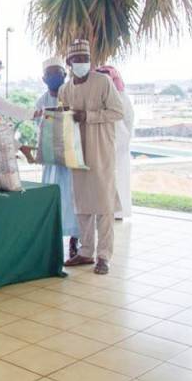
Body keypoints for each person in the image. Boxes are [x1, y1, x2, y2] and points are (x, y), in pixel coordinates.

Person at [60, 39, 124, 275]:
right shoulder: (65, 89)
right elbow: (63, 120)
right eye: (78, 60)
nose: (82, 64)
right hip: (77, 154)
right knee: (82, 205)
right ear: (69, 63)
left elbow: (118, 112)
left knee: (104, 205)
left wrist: (88, 116)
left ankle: (104, 257)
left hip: (101, 151)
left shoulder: (103, 81)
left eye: (86, 60)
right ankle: (86, 252)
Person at [33, 57, 80, 258]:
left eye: (57, 73)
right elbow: (40, 128)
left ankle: (74, 240)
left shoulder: (72, 95)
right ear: (44, 78)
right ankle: (51, 240)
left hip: (70, 158)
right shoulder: (41, 101)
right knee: (52, 197)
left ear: (65, 74)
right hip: (51, 160)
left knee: (72, 198)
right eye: (50, 73)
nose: (54, 77)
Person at [97, 65, 134, 219]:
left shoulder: (121, 95)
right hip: (100, 142)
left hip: (118, 142)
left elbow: (128, 119)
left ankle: (117, 212)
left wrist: (124, 139)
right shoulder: (96, 94)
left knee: (117, 177)